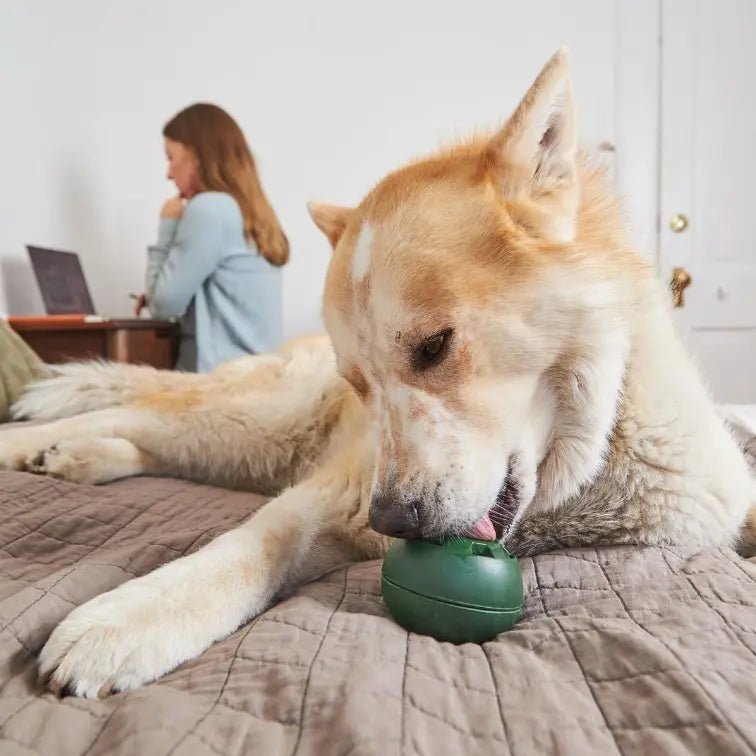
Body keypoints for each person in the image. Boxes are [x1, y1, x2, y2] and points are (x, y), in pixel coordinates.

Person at [136, 103, 289, 372]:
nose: (168, 173)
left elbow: (162, 305)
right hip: (260, 379)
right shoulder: (250, 210)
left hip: (217, 386)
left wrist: (168, 224)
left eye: (170, 158)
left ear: (196, 155)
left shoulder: (209, 209)